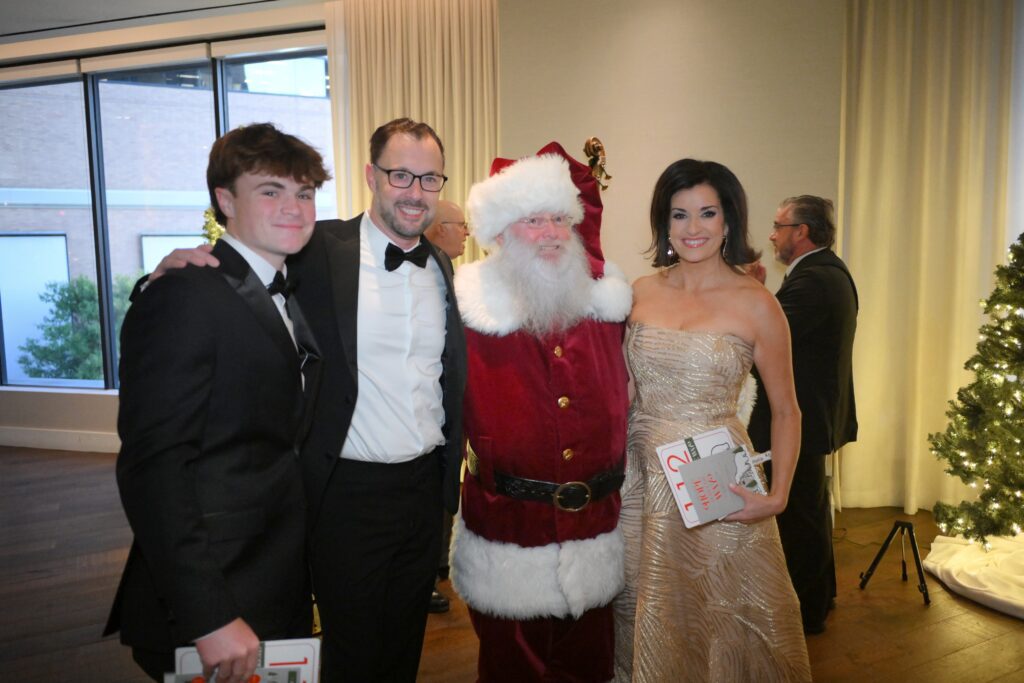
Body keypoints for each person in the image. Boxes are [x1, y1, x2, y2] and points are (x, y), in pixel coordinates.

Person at [147, 118, 466, 682]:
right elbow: (243, 272)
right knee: (352, 652)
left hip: (424, 497)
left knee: (403, 647)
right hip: (346, 492)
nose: (415, 192)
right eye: (400, 175)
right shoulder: (320, 249)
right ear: (371, 176)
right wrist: (167, 272)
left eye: (429, 178)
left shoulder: (441, 266)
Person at [104, 123, 329, 683]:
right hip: (215, 595)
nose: (294, 208)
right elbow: (152, 466)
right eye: (270, 191)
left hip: (272, 575)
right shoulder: (185, 294)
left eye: (304, 193)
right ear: (225, 200)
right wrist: (209, 615)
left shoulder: (281, 286)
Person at [613, 159, 811, 681]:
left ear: (728, 222)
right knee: (647, 609)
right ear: (664, 224)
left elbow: (787, 408)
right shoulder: (638, 291)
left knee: (723, 614)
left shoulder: (758, 304)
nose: (693, 228)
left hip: (716, 479)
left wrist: (779, 495)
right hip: (641, 480)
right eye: (679, 215)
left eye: (707, 213)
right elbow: (623, 390)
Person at [450, 143, 633, 682]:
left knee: (590, 668)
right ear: (501, 232)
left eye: (560, 218)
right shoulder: (464, 306)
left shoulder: (605, 300)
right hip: (508, 535)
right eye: (533, 220)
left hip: (596, 533)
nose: (552, 232)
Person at [746, 195, 859, 635]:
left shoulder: (814, 280)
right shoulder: (824, 272)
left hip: (804, 417)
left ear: (802, 232)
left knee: (799, 519)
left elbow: (769, 341)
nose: (772, 235)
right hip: (816, 412)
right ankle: (819, 598)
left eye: (779, 226)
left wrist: (750, 292)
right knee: (810, 511)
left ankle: (807, 612)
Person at [421, 198, 468, 614]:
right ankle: (430, 572)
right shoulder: (434, 263)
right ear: (439, 229)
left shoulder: (447, 266)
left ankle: (434, 568)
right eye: (460, 225)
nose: (467, 233)